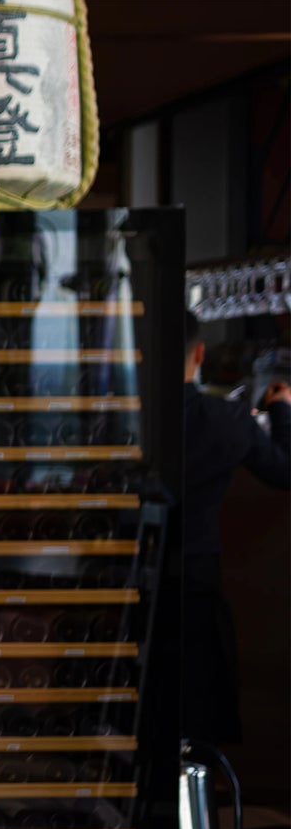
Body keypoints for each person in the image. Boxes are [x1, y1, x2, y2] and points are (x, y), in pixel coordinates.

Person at [181, 317, 291, 749]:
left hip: (133, 576)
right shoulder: (225, 418)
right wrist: (281, 407)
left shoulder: (127, 412)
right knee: (203, 694)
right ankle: (198, 786)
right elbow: (284, 471)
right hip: (198, 579)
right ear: (200, 354)